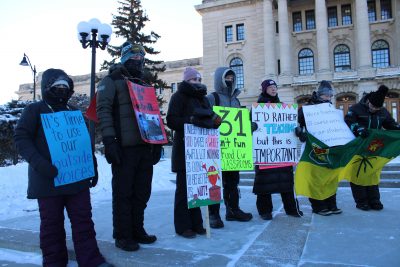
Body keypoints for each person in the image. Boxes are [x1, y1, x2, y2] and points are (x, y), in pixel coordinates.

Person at [14, 68, 112, 267]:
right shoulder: (34, 110)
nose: (60, 90)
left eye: (64, 87)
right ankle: (54, 263)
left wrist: (91, 165)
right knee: (51, 226)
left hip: (76, 179)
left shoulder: (74, 111)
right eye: (57, 86)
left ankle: (91, 260)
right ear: (47, 87)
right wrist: (40, 164)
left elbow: (83, 142)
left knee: (83, 221)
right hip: (47, 180)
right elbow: (21, 138)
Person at [96, 41, 162, 251]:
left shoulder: (143, 82)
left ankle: (137, 229)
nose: (137, 61)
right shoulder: (111, 80)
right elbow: (103, 110)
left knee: (142, 191)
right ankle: (123, 234)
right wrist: (110, 141)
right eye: (133, 58)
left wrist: (158, 142)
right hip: (123, 147)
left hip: (145, 145)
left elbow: (153, 114)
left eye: (140, 58)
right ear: (124, 58)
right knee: (123, 192)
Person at [167, 67, 222, 238]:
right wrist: (191, 121)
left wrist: (216, 120)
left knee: (198, 189)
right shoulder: (178, 96)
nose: (196, 82)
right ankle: (183, 226)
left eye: (198, 79)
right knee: (184, 190)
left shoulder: (204, 99)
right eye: (193, 80)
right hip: (185, 150)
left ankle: (197, 223)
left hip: (202, 151)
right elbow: (171, 120)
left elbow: (211, 118)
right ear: (186, 81)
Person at [206, 67, 253, 228]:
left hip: (233, 150)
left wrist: (249, 126)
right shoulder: (212, 98)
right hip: (216, 148)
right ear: (220, 79)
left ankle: (233, 210)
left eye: (232, 77)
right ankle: (213, 214)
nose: (230, 80)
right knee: (215, 182)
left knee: (232, 181)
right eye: (227, 77)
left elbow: (239, 122)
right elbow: (205, 115)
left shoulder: (236, 100)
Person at [253, 79, 303, 220]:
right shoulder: (258, 108)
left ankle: (291, 208)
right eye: (270, 87)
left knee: (286, 183)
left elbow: (291, 125)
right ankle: (265, 211)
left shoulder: (283, 107)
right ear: (264, 89)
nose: (273, 89)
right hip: (266, 152)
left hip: (282, 152)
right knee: (264, 184)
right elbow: (251, 127)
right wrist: (252, 127)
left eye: (275, 87)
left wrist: (297, 130)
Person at [344, 85, 400, 211]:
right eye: (373, 107)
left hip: (375, 148)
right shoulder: (356, 109)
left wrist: (397, 129)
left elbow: (391, 125)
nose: (375, 109)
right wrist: (358, 128)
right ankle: (362, 201)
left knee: (372, 174)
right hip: (358, 148)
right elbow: (348, 121)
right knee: (358, 174)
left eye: (377, 108)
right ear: (369, 101)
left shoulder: (383, 112)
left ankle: (374, 200)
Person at [296, 80, 342, 216]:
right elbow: (296, 124)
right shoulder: (307, 108)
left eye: (330, 95)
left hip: (329, 147)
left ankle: (331, 204)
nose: (328, 98)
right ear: (320, 94)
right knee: (315, 178)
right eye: (326, 95)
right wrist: (301, 133)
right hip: (313, 147)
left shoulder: (331, 109)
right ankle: (318, 206)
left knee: (330, 177)